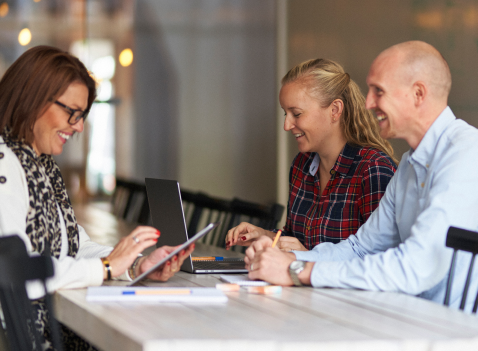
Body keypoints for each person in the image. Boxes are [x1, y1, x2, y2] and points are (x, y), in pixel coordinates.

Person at [245, 41, 478, 312]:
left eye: (378, 91)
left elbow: (416, 266)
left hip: (450, 331)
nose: (368, 102)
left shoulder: (467, 153)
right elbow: (360, 248)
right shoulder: (408, 165)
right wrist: (281, 258)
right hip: (407, 319)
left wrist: (298, 269)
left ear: (418, 94)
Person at [0, 46, 194, 349]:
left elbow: (75, 246)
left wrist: (134, 265)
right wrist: (105, 268)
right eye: (72, 112)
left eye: (83, 115)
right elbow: (19, 269)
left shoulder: (40, 166)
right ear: (33, 97)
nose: (78, 126)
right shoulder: (5, 164)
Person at [226, 58, 397, 252]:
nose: (287, 125)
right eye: (286, 114)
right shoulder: (302, 164)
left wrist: (309, 260)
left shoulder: (373, 170)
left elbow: (383, 262)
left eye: (296, 114)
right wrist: (266, 236)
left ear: (335, 110)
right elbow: (296, 239)